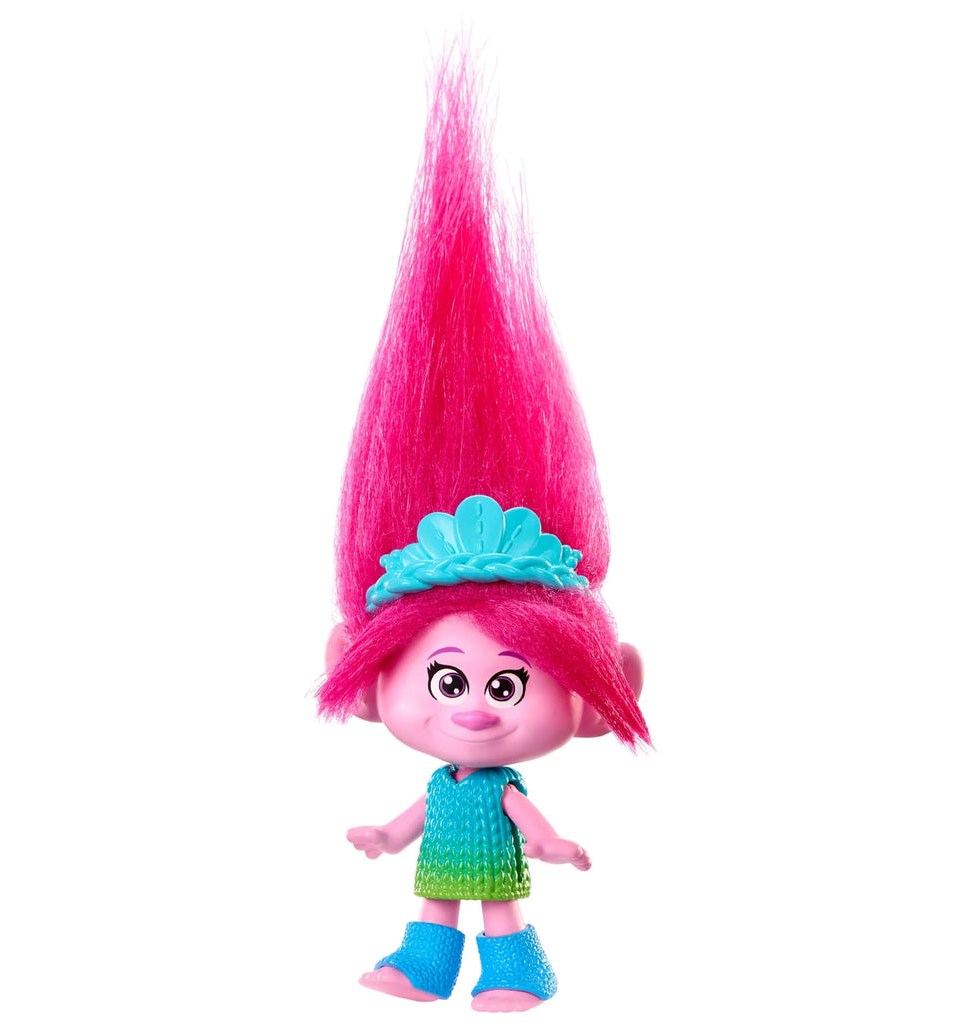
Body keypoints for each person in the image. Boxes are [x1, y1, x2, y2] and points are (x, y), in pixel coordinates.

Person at [318, 48, 649, 1013]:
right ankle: (426, 963)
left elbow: (526, 822)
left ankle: (517, 968)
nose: (472, 709)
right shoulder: (449, 787)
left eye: (507, 684)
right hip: (438, 862)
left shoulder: (496, 789)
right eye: (447, 679)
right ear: (363, 677)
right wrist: (386, 836)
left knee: (498, 910)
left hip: (499, 867)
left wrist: (552, 843)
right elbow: (411, 819)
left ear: (604, 693)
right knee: (433, 904)